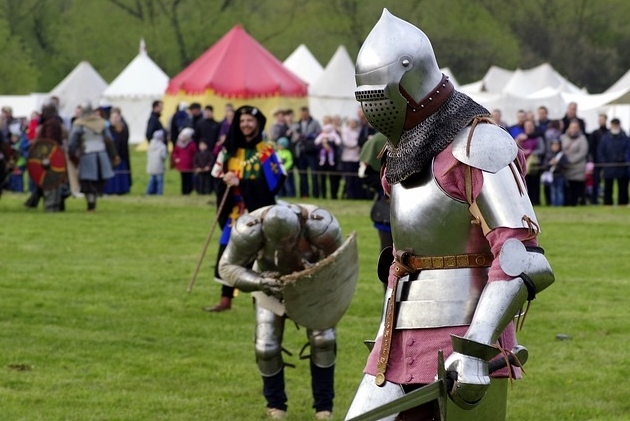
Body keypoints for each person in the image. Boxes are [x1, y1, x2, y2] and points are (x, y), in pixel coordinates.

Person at [345, 10, 555, 421]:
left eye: (378, 96)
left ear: (407, 85)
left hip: (460, 341)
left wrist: (476, 349)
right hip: (397, 337)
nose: (373, 109)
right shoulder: (403, 153)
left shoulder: (481, 145)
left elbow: (524, 260)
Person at [217, 203, 352, 419]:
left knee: (323, 340)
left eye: (290, 241)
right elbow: (227, 267)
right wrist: (258, 281)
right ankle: (276, 405)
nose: (286, 247)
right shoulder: (249, 229)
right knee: (266, 347)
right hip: (268, 284)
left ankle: (324, 407)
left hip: (312, 286)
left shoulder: (321, 225)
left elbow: (339, 261)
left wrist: (317, 272)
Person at [204, 105, 285, 313]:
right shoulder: (228, 150)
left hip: (259, 212)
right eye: (242, 121)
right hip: (234, 213)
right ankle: (225, 298)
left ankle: (261, 299)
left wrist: (241, 182)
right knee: (228, 251)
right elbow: (216, 179)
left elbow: (274, 184)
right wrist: (226, 182)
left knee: (261, 255)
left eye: (249, 120)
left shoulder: (266, 151)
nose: (246, 125)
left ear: (257, 123)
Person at [68, 102, 117, 212]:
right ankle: (92, 204)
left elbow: (72, 142)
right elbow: (109, 140)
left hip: (87, 155)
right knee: (95, 182)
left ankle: (91, 205)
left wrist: (72, 154)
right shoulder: (101, 123)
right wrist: (113, 155)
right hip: (101, 154)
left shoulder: (79, 124)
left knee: (88, 183)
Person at [597, 118, 630, 206]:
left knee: (623, 188)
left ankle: (623, 204)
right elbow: (601, 152)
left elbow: (628, 150)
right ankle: (607, 204)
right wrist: (604, 163)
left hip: (622, 167)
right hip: (609, 167)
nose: (615, 126)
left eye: (616, 124)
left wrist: (624, 159)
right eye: (613, 124)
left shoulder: (625, 138)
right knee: (608, 188)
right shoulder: (605, 138)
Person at [515, 119, 545, 205]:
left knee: (535, 184)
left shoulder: (538, 137)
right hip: (523, 164)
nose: (529, 128)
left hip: (534, 165)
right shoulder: (521, 137)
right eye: (527, 126)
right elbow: (514, 147)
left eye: (530, 126)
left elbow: (542, 150)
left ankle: (536, 201)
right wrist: (518, 140)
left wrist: (531, 152)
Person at [294, 106, 321, 198]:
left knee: (314, 174)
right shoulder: (297, 124)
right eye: (302, 114)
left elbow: (319, 133)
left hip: (311, 151)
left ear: (308, 113)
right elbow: (294, 137)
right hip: (301, 152)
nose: (303, 115)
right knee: (302, 175)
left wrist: (309, 137)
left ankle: (315, 194)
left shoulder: (315, 122)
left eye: (305, 114)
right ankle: (304, 194)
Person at [560, 119, 589, 206]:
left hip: (578, 168)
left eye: (575, 127)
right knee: (566, 189)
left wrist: (571, 160)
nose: (573, 129)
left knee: (576, 188)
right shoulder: (563, 138)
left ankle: (576, 202)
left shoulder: (582, 139)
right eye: (572, 127)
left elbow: (583, 152)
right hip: (565, 168)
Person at [103, 108, 131, 195]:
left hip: (121, 155)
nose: (115, 119)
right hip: (110, 155)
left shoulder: (123, 129)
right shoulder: (108, 129)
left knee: (120, 172)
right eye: (113, 117)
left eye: (116, 117)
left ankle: (121, 189)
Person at [314, 117, 341, 199]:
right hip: (322, 159)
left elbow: (338, 144)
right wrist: (324, 144)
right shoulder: (321, 134)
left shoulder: (334, 134)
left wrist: (328, 145)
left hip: (332, 160)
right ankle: (323, 195)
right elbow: (316, 144)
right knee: (322, 178)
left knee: (333, 178)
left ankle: (334, 195)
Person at [340, 118, 363, 199]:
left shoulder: (358, 131)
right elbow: (347, 143)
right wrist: (357, 144)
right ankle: (349, 195)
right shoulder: (345, 131)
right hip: (347, 158)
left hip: (356, 157)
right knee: (348, 178)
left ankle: (356, 195)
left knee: (356, 178)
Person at [541, 139, 568, 206]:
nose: (555, 147)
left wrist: (558, 163)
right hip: (552, 176)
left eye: (557, 145)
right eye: (554, 145)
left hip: (560, 175)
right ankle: (554, 204)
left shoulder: (562, 155)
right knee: (553, 191)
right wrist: (550, 163)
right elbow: (544, 165)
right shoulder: (549, 155)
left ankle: (560, 204)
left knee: (560, 191)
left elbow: (565, 165)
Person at [171, 127, 197, 195]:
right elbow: (175, 153)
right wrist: (176, 158)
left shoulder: (191, 145)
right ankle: (184, 192)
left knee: (189, 179)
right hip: (181, 165)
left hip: (189, 165)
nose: (183, 138)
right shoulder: (178, 145)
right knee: (183, 179)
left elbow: (195, 153)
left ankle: (189, 191)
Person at [589, 114, 608, 204]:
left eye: (602, 119)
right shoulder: (595, 133)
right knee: (595, 182)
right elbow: (591, 147)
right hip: (596, 162)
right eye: (599, 119)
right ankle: (594, 200)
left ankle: (607, 200)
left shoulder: (608, 133)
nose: (601, 121)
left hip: (607, 161)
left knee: (607, 181)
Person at [146, 130, 167, 195]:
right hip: (159, 166)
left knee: (152, 180)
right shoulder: (162, 146)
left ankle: (149, 192)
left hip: (151, 165)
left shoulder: (150, 145)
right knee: (159, 181)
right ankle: (159, 193)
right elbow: (163, 156)